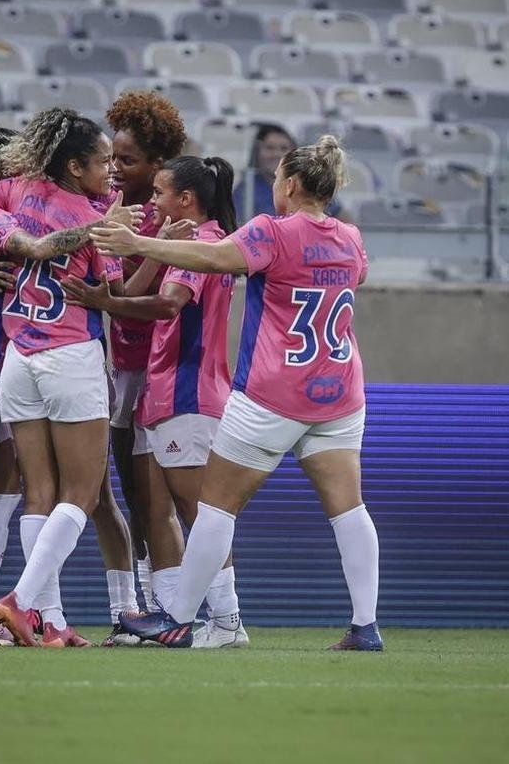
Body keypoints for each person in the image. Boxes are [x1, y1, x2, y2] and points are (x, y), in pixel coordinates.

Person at [91, 136, 382, 651]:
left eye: (276, 180)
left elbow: (213, 256)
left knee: (216, 507)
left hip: (273, 393)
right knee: (349, 509)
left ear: (290, 184)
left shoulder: (274, 231)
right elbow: (350, 278)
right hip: (339, 392)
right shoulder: (351, 238)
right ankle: (365, 626)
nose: (273, 187)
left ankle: (177, 619)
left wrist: (140, 244)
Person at [0, 118, 137, 646]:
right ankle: (17, 602)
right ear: (75, 165)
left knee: (35, 492)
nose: (109, 169)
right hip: (65, 355)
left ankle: (48, 618)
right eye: (102, 161)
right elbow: (114, 290)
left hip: (16, 359)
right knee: (80, 493)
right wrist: (123, 233)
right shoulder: (78, 212)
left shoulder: (14, 193)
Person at [64, 155, 248, 649]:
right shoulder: (181, 241)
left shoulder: (206, 244)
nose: (152, 202)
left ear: (186, 199)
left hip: (189, 393)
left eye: (161, 193)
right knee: (157, 506)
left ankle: (228, 622)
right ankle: (168, 617)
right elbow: (138, 289)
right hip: (162, 391)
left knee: (198, 510)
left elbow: (167, 303)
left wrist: (102, 303)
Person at [95, 91, 188, 639]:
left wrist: (139, 244)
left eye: (127, 161)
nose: (115, 171)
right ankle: (144, 610)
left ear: (158, 166)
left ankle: (169, 608)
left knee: (159, 501)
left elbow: (126, 293)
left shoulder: (165, 217)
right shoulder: (112, 208)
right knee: (132, 494)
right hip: (123, 367)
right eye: (111, 160)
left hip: (158, 370)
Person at [233, 124, 297, 221]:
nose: (277, 154)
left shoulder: (305, 187)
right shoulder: (246, 189)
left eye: (283, 148)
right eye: (270, 148)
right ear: (257, 152)